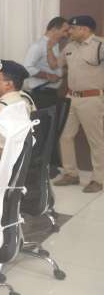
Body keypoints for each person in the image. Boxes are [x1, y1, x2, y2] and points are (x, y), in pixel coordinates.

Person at [53, 15, 104, 193]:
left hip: (92, 99)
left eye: (73, 28)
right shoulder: (70, 46)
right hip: (71, 98)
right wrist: (49, 45)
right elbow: (56, 64)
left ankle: (99, 179)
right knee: (65, 136)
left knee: (96, 140)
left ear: (85, 29)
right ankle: (71, 174)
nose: (70, 31)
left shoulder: (99, 45)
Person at [0, 60, 35, 161]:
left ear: (8, 84)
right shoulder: (21, 101)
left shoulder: (2, 107)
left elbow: (0, 151)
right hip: (19, 162)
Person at [23, 17, 69, 108]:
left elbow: (55, 67)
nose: (66, 34)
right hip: (41, 94)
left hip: (52, 93)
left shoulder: (56, 46)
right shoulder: (38, 46)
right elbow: (27, 68)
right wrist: (48, 76)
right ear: (54, 29)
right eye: (64, 31)